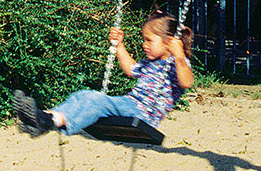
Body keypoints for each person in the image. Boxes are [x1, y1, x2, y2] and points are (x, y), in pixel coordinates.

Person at [14, 11, 194, 137]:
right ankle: (43, 119)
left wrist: (179, 55)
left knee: (95, 101)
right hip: (130, 105)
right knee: (84, 95)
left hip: (143, 114)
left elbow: (186, 82)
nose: (143, 44)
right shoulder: (150, 63)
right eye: (143, 39)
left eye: (149, 40)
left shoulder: (177, 64)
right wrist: (119, 45)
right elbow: (131, 69)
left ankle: (47, 121)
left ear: (169, 42)